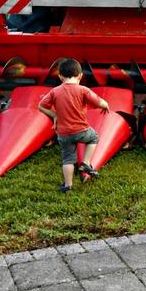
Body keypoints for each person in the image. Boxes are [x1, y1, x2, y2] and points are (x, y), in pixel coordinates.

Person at [38, 58, 109, 192]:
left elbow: (41, 106)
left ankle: (67, 185)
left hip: (63, 134)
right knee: (94, 138)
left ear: (60, 76)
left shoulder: (55, 91)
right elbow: (98, 102)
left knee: (68, 159)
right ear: (80, 76)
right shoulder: (83, 90)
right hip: (81, 130)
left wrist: (55, 115)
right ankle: (85, 163)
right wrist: (106, 105)